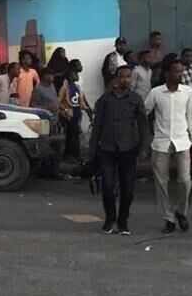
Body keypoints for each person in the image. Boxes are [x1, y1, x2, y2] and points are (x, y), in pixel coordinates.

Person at [89, 66, 149, 235]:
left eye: (128, 77)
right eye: (122, 77)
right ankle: (109, 219)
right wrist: (92, 151)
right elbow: (97, 126)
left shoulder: (136, 99)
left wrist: (144, 147)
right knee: (108, 187)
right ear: (115, 79)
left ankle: (123, 221)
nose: (125, 80)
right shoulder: (105, 100)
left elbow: (143, 125)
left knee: (128, 189)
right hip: (107, 149)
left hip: (128, 149)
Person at [144, 59, 191, 234]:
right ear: (167, 73)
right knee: (161, 182)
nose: (180, 75)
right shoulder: (156, 93)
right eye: (176, 72)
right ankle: (168, 218)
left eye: (181, 71)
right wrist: (145, 137)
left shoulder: (188, 92)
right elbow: (144, 112)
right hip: (161, 141)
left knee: (185, 180)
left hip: (183, 141)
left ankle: (181, 211)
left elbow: (191, 117)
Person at [58, 60, 92, 160]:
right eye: (75, 72)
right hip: (69, 112)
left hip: (76, 111)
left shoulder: (77, 83)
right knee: (72, 134)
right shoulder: (65, 85)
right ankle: (71, 155)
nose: (77, 74)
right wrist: (64, 110)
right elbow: (60, 100)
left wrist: (88, 109)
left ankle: (73, 154)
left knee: (75, 133)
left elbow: (81, 97)